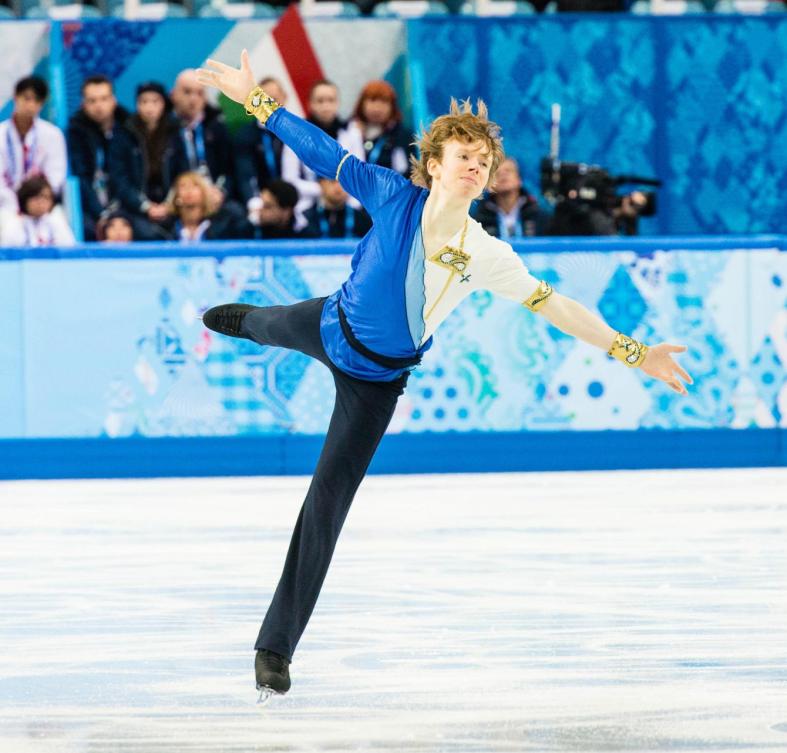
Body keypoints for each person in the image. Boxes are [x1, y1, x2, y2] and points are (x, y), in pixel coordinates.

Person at [197, 51, 693, 700]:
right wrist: (256, 102)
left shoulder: (485, 253)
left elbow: (558, 307)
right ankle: (251, 321)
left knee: (326, 503)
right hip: (327, 321)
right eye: (462, 155)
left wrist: (634, 351)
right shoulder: (390, 193)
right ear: (432, 165)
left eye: (482, 162)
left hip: (374, 384)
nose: (474, 165)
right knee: (266, 324)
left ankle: (273, 648)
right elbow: (318, 150)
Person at [108, 81, 186, 241]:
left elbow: (182, 173)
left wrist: (169, 204)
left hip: (171, 204)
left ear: (164, 104)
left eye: (155, 101)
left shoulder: (175, 132)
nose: (149, 107)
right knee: (146, 233)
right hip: (135, 206)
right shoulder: (125, 134)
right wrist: (145, 206)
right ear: (137, 105)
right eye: (144, 102)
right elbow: (119, 178)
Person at [281, 79, 364, 220]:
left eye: (331, 100)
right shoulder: (295, 133)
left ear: (338, 103)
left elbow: (361, 173)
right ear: (310, 104)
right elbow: (289, 179)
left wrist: (340, 190)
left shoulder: (352, 133)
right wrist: (321, 189)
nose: (326, 106)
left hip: (347, 203)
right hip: (306, 207)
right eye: (320, 101)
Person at [67, 75, 130, 240]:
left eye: (103, 99)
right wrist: (101, 214)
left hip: (124, 204)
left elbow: (130, 175)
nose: (99, 106)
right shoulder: (76, 133)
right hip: (91, 206)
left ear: (113, 101)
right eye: (92, 101)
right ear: (83, 104)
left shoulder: (128, 129)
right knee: (87, 230)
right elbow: (81, 178)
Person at [0, 76, 67, 213]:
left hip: (42, 205)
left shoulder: (53, 134)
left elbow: (56, 176)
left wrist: (38, 200)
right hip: (4, 205)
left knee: (59, 226)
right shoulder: (1, 134)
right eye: (26, 98)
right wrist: (12, 202)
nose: (31, 105)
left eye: (37, 100)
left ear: (42, 104)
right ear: (15, 97)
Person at [170, 69, 236, 208]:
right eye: (187, 92)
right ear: (174, 95)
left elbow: (230, 169)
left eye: (199, 93)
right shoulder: (164, 130)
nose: (193, 99)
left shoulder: (217, 128)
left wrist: (220, 191)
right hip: (177, 202)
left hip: (213, 198)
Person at [233, 76, 289, 213]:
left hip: (292, 200)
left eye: (274, 100)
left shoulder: (294, 132)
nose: (270, 106)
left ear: (284, 98)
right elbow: (246, 174)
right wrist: (255, 203)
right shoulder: (245, 135)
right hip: (261, 201)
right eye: (265, 102)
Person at [472, 157, 550, 238]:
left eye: (508, 171)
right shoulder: (479, 220)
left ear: (519, 180)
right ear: (489, 185)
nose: (503, 175)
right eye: (497, 173)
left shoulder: (538, 215)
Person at [163, 170, 253, 242]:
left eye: (195, 185)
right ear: (176, 196)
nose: (188, 190)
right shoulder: (166, 230)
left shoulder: (222, 225)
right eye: (183, 186)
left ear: (205, 193)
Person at [347, 79, 411, 177]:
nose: (377, 107)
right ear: (361, 104)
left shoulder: (402, 136)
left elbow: (408, 171)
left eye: (384, 102)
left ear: (392, 106)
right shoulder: (347, 130)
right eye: (372, 100)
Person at [0, 175, 75, 247]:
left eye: (46, 197)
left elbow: (69, 250)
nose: (41, 202)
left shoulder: (57, 222)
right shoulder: (14, 225)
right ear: (24, 199)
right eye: (36, 198)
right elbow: (7, 253)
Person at [302, 178, 372, 239]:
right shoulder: (305, 220)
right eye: (333, 181)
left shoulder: (363, 220)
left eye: (343, 182)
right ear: (322, 184)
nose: (338, 187)